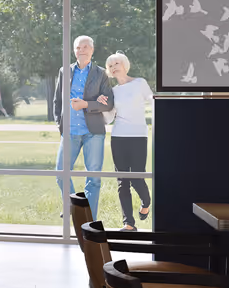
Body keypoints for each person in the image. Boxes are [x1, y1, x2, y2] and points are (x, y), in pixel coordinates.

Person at [50, 34, 113, 212]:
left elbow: (108, 103)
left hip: (93, 132)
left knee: (93, 178)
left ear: (92, 50)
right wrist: (60, 125)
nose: (81, 50)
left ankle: (88, 218)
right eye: (78, 47)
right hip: (69, 131)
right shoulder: (65, 71)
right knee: (61, 173)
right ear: (74, 51)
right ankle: (74, 207)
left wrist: (87, 105)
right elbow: (57, 101)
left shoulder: (101, 73)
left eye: (85, 47)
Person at [105, 51, 153, 230]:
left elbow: (153, 102)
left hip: (139, 135)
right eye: (110, 66)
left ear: (125, 65)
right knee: (122, 180)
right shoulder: (113, 91)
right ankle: (128, 223)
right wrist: (103, 105)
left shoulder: (140, 83)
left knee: (137, 177)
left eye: (116, 63)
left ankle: (146, 202)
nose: (114, 67)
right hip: (118, 136)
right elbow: (108, 118)